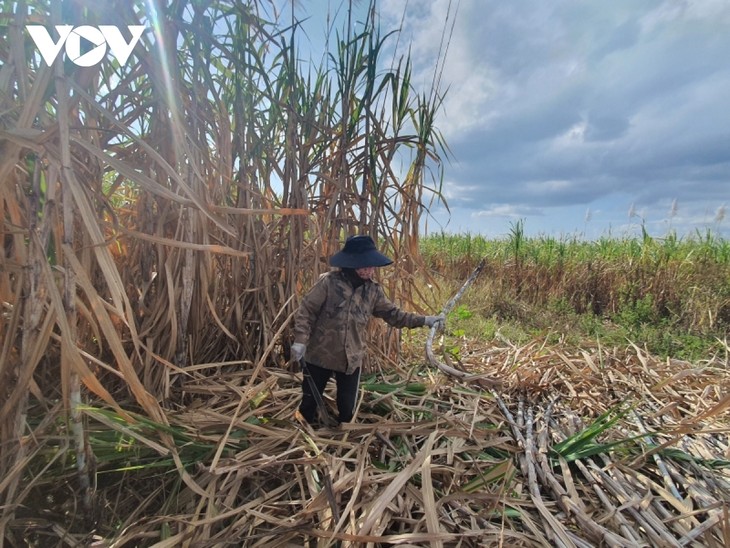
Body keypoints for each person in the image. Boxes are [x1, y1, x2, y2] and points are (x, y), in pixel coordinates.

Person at [291, 235, 444, 426]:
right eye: (364, 265)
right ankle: (303, 436)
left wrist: (426, 320)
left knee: (347, 409)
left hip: (350, 359)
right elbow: (307, 311)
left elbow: (394, 315)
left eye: (371, 266)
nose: (369, 270)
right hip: (320, 354)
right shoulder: (329, 283)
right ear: (350, 264)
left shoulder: (373, 292)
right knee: (309, 403)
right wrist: (300, 341)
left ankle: (342, 443)